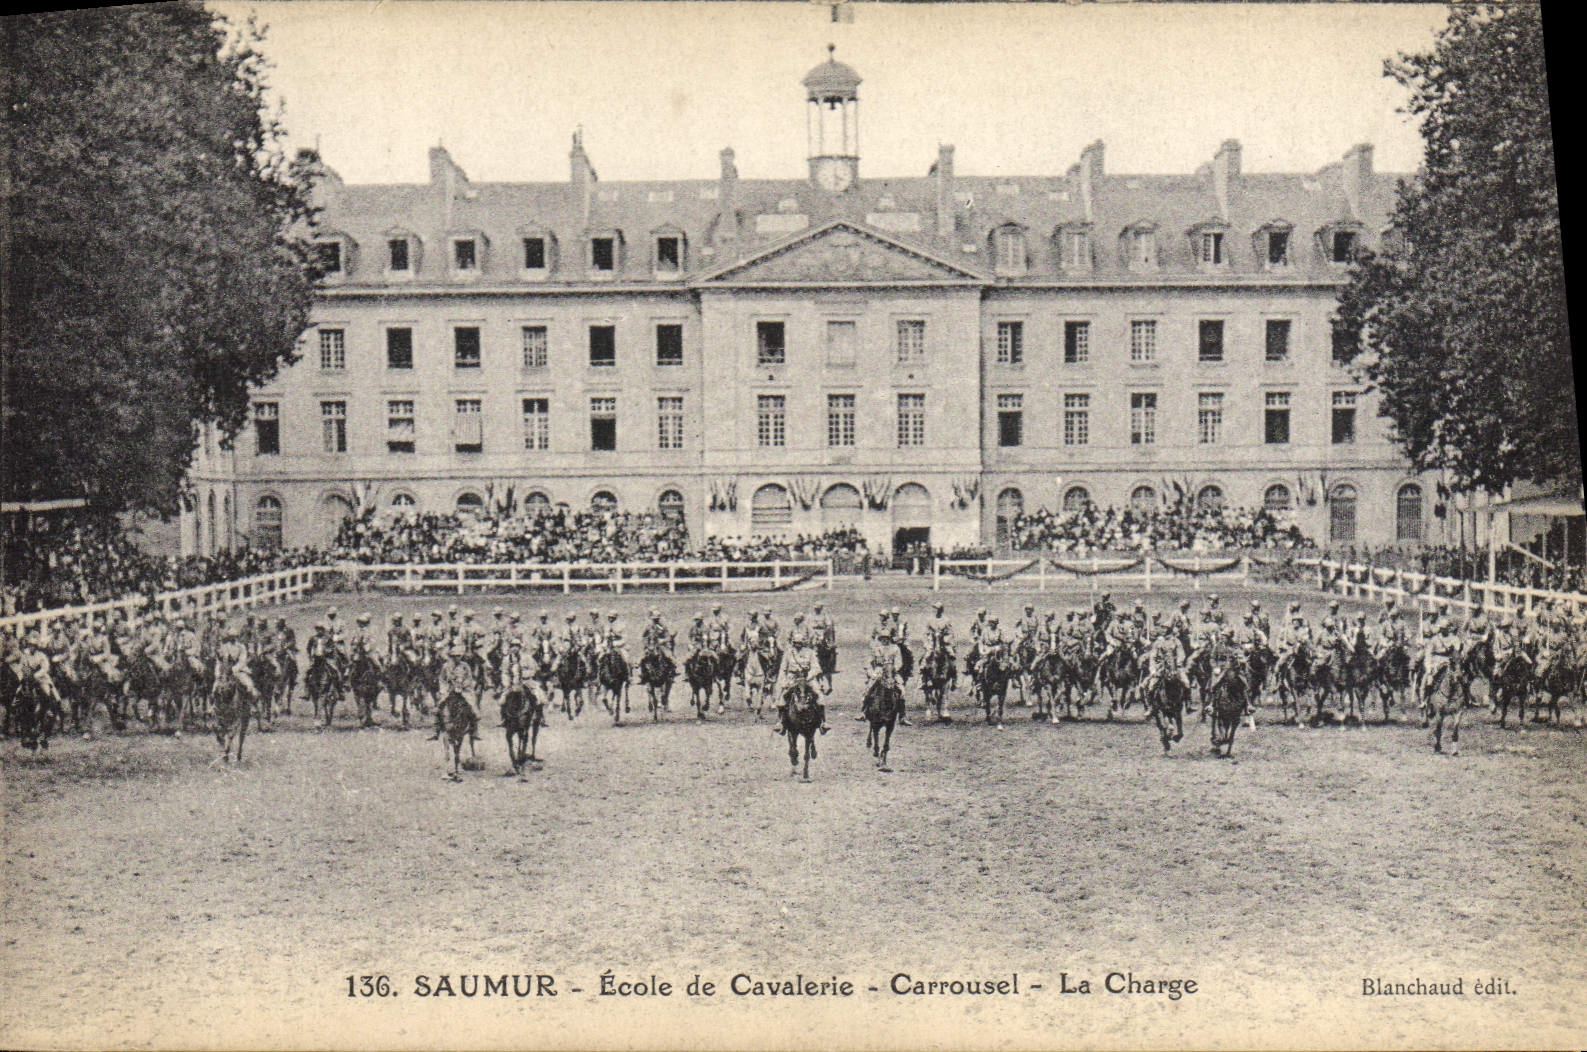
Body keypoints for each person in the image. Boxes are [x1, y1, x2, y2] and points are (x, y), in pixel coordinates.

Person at [774, 625, 829, 736]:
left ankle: (823, 722)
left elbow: (816, 667)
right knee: (781, 699)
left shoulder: (810, 653)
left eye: (800, 643)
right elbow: (783, 669)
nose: (797, 645)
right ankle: (781, 722)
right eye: (795, 643)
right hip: (792, 678)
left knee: (819, 697)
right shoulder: (788, 653)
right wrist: (783, 681)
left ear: (804, 643)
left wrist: (809, 676)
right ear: (793, 643)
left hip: (807, 678)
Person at [430, 643, 481, 742]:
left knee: (472, 704)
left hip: (463, 690)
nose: (456, 658)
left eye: (458, 656)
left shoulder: (465, 666)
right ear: (451, 656)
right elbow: (442, 679)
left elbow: (469, 678)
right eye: (454, 656)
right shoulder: (446, 667)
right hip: (449, 689)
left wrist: (462, 685)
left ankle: (474, 730)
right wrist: (444, 689)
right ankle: (436, 730)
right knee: (439, 705)